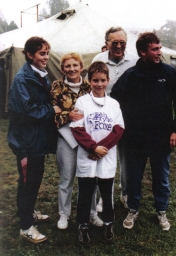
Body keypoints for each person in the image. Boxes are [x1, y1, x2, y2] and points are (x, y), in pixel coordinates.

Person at [111, 32, 176, 231]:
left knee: (161, 178)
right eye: (155, 49)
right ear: (142, 52)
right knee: (134, 177)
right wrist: (122, 127)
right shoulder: (131, 76)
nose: (159, 52)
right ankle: (133, 209)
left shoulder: (169, 73)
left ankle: (161, 211)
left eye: (160, 48)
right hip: (135, 139)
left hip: (162, 138)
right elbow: (114, 102)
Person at [7, 36, 61, 243]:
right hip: (26, 142)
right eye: (42, 53)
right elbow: (27, 111)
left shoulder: (39, 74)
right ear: (30, 55)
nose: (46, 57)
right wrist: (51, 109)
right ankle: (26, 227)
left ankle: (28, 213)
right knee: (28, 182)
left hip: (36, 140)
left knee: (34, 179)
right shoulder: (23, 79)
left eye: (47, 53)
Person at [70, 61, 124, 244]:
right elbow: (77, 128)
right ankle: (83, 225)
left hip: (106, 155)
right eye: (95, 80)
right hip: (88, 154)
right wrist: (93, 147)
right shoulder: (82, 102)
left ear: (108, 80)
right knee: (85, 192)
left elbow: (118, 129)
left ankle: (108, 223)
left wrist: (101, 149)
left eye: (102, 80)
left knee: (106, 192)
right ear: (89, 80)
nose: (99, 84)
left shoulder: (114, 104)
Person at [51, 53, 103, 230]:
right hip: (66, 140)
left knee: (90, 178)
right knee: (66, 178)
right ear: (62, 69)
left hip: (87, 139)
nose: (71, 69)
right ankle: (64, 215)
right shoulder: (56, 87)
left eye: (75, 65)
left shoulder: (90, 85)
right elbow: (53, 115)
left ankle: (92, 213)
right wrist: (68, 115)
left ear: (81, 67)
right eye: (67, 66)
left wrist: (62, 112)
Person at [91, 26, 137, 210]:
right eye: (114, 42)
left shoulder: (134, 61)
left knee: (127, 159)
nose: (119, 46)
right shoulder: (98, 60)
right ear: (106, 43)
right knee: (105, 157)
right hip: (102, 119)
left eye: (122, 42)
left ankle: (124, 193)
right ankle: (104, 196)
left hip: (127, 118)